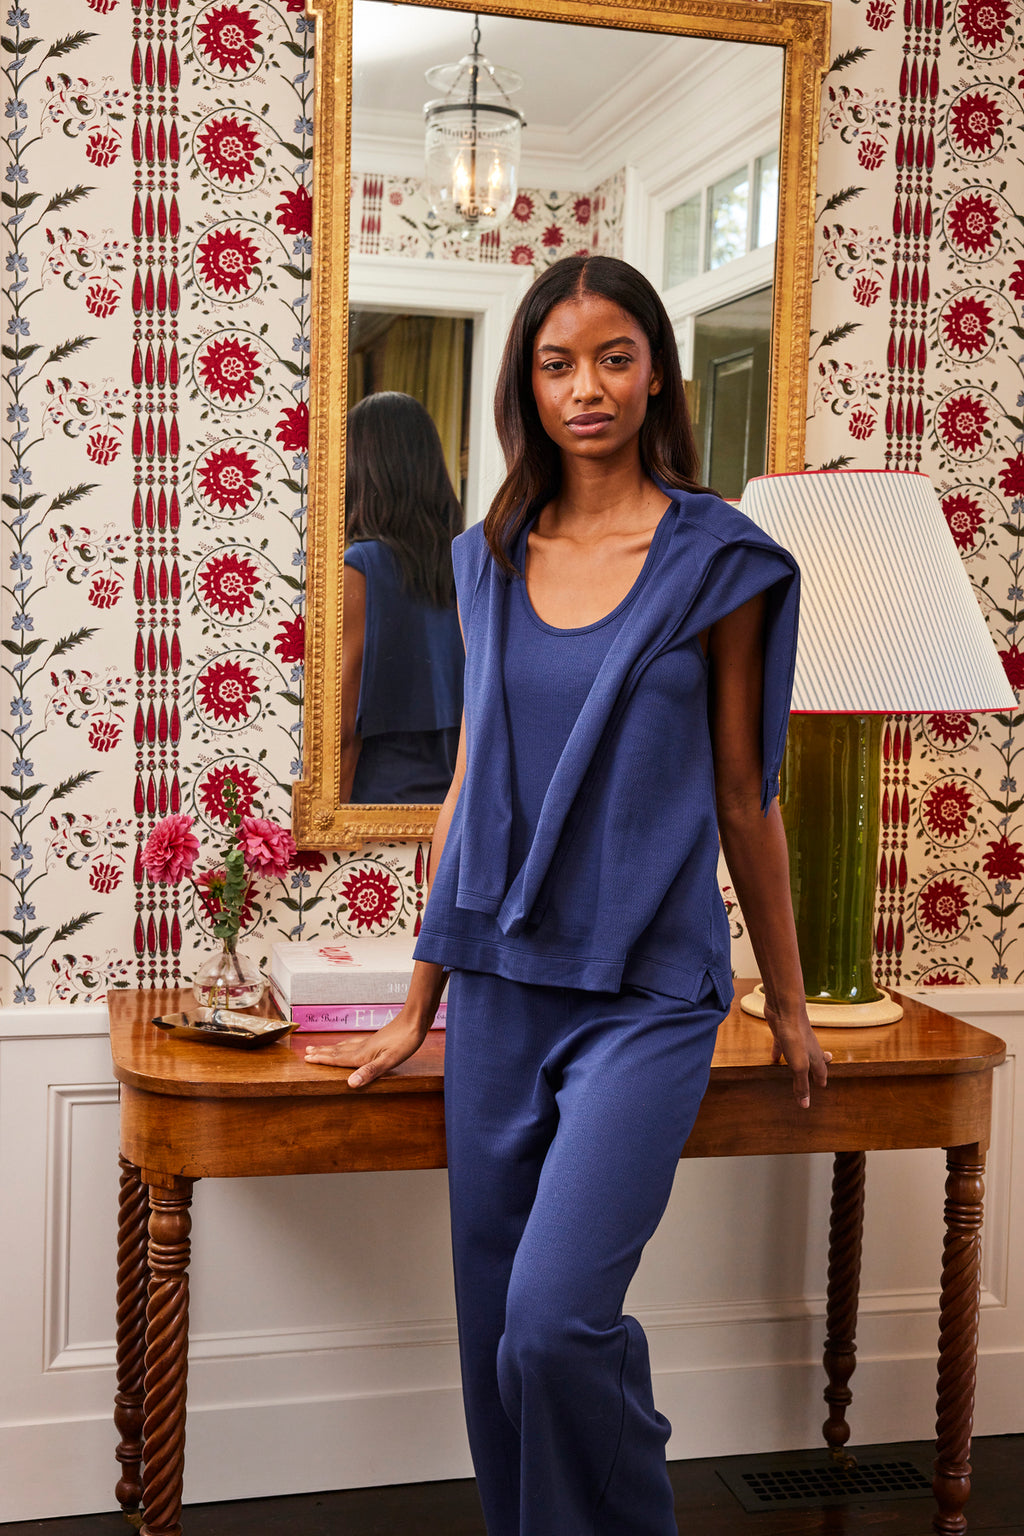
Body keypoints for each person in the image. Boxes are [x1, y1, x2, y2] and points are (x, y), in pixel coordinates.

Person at [307, 256, 830, 1536]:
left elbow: (743, 795)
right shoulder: (484, 556)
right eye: (555, 363)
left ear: (655, 368)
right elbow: (469, 786)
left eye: (610, 356)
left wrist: (791, 1004)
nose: (584, 387)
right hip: (495, 988)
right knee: (499, 1338)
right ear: (524, 386)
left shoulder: (721, 561)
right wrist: (417, 998)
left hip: (648, 988)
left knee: (552, 1324)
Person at [341, 391, 465, 803]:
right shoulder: (468, 561)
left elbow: (340, 718)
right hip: (454, 798)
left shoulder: (360, 566)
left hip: (374, 796)